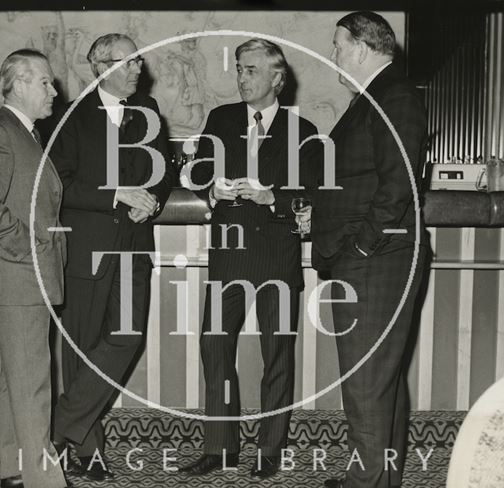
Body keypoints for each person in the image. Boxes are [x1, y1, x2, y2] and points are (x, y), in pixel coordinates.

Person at [179, 38, 321, 479]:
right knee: (214, 346)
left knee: (277, 355)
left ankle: (269, 450)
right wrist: (211, 188)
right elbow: (198, 170)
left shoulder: (304, 132)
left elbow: (312, 192)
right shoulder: (220, 119)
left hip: (277, 253)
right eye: (239, 69)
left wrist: (271, 196)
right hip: (230, 253)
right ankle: (221, 448)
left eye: (252, 70)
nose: (242, 78)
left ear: (277, 79)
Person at [308, 12, 429, 488]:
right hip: (371, 258)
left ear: (360, 48)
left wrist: (359, 247)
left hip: (376, 260)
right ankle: (380, 479)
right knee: (380, 384)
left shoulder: (393, 96)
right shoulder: (375, 98)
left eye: (337, 45)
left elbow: (397, 189)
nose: (333, 54)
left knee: (365, 384)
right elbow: (363, 181)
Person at [50, 33, 175, 482]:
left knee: (127, 337)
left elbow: (165, 169)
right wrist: (116, 194)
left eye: (139, 62)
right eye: (129, 62)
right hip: (86, 251)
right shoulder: (67, 117)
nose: (139, 69)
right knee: (81, 348)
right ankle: (88, 450)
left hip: (135, 247)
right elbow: (57, 184)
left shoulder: (150, 112)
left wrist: (155, 201)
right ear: (100, 66)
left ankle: (60, 425)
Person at [0, 49, 67, 488]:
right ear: (20, 84)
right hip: (19, 279)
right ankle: (45, 483)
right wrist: (33, 248)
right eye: (45, 82)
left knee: (16, 385)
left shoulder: (23, 134)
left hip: (19, 282)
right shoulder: (3, 134)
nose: (54, 90)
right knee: (33, 390)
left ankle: (14, 472)